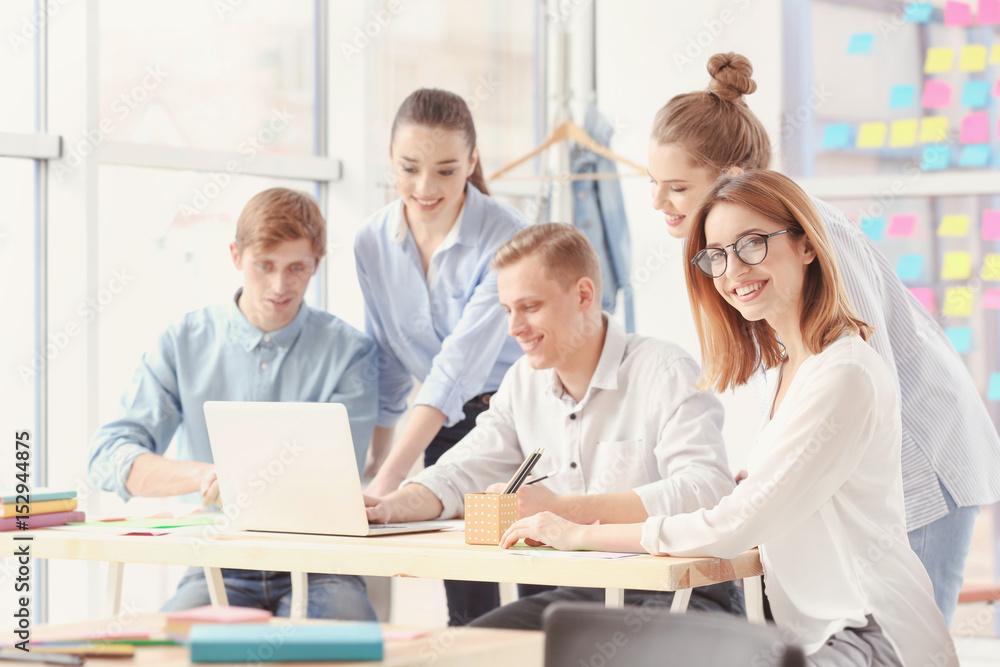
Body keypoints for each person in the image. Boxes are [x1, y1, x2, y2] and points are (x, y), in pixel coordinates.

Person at [502, 172, 956, 666]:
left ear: (806, 245)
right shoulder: (788, 367)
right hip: (811, 633)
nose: (733, 269)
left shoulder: (841, 371)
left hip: (870, 632)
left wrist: (578, 532)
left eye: (752, 244)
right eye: (716, 255)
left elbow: (733, 527)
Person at [645, 51, 1000, 625]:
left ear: (734, 175)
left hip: (925, 462)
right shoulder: (744, 259)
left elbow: (859, 375)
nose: (659, 203)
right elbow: (800, 383)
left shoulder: (811, 233)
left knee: (907, 633)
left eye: (678, 187)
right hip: (892, 466)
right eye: (654, 184)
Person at [366, 223, 741, 630]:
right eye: (507, 310)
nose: (514, 328)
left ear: (583, 295)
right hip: (571, 597)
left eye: (529, 307)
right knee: (467, 650)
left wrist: (567, 512)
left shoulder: (664, 370)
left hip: (677, 597)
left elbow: (707, 489)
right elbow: (462, 471)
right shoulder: (522, 381)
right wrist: (390, 508)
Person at [88, 188, 379, 620]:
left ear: (317, 262)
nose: (280, 286)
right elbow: (109, 457)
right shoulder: (182, 342)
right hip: (215, 563)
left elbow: (335, 476)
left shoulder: (350, 352)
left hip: (322, 564)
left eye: (297, 267)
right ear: (235, 256)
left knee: (340, 650)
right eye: (265, 266)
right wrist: (205, 475)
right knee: (167, 651)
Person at [355, 88, 528, 624]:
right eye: (409, 168)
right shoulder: (372, 242)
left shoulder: (506, 234)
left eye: (447, 171)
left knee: (541, 581)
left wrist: (391, 482)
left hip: (518, 421)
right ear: (390, 159)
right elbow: (385, 361)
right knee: (470, 599)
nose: (425, 188)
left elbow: (456, 366)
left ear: (473, 162)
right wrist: (375, 466)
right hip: (441, 430)